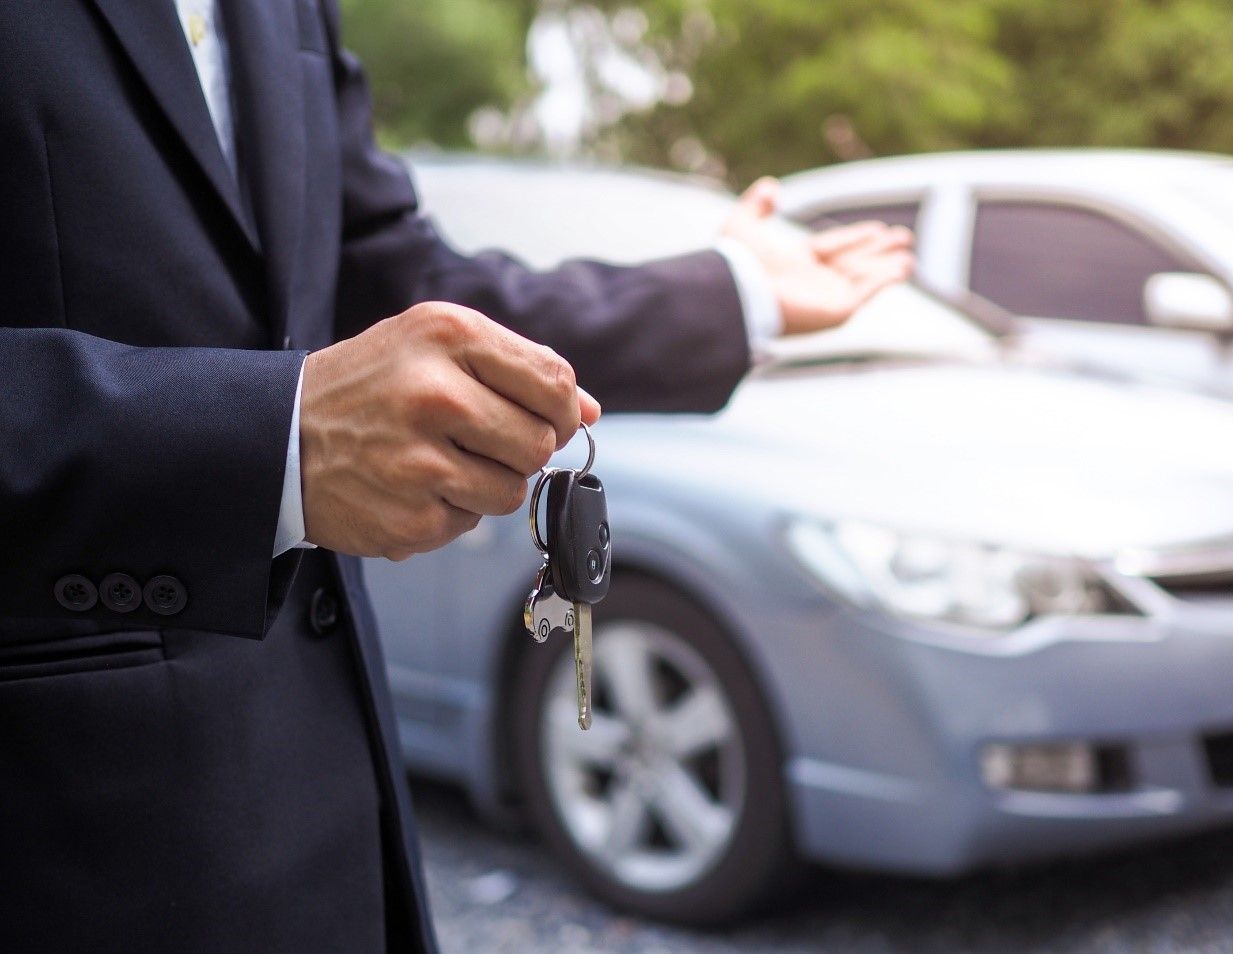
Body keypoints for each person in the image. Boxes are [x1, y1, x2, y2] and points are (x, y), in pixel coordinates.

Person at [0, 2, 913, 951]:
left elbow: (395, 278)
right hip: (56, 851)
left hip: (338, 837)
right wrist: (268, 440)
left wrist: (730, 293)